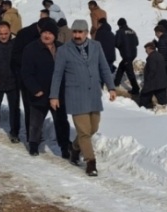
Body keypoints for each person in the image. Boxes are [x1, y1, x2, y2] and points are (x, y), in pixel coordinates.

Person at [50, 19, 117, 177]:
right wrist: (53, 96)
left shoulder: (96, 46)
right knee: (84, 131)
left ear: (86, 33)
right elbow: (57, 74)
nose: (77, 35)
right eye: (75, 32)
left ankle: (75, 147)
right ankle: (90, 162)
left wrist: (111, 87)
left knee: (93, 128)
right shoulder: (65, 50)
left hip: (93, 93)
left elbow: (104, 67)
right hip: (75, 95)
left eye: (80, 32)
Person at [21, 20, 70, 157]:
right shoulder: (31, 49)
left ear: (55, 35)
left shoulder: (62, 49)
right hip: (39, 92)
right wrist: (35, 89)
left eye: (50, 33)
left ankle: (65, 147)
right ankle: (33, 145)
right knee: (36, 121)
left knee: (61, 122)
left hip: (57, 93)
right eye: (44, 33)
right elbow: (26, 72)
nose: (47, 36)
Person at [139, 41, 167, 109]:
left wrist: (147, 82)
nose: (145, 51)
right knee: (163, 101)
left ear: (149, 48)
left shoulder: (151, 57)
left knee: (144, 98)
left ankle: (143, 111)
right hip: (162, 82)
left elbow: (152, 70)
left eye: (146, 49)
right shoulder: (159, 55)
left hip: (153, 83)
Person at [114, 18, 140, 94]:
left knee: (129, 71)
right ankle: (116, 83)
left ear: (119, 25)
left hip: (126, 55)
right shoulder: (132, 31)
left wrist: (120, 46)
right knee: (121, 66)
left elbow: (117, 43)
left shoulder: (120, 32)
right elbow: (137, 42)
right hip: (133, 54)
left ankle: (136, 88)